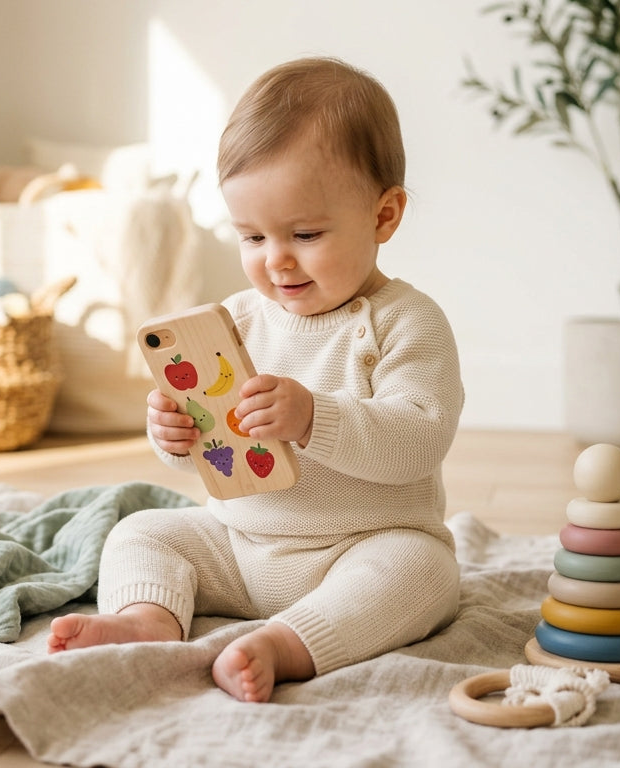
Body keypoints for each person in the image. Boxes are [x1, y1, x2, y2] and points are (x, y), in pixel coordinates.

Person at [47, 56, 464, 703]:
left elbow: (419, 440)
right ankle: (147, 621)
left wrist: (313, 418)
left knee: (426, 573)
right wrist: (174, 436)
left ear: (384, 217)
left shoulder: (407, 322)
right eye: (251, 236)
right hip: (239, 546)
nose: (276, 260)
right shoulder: (234, 322)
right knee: (143, 530)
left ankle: (289, 643)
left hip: (360, 546)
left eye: (305, 233)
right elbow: (215, 458)